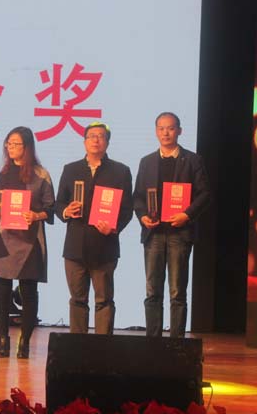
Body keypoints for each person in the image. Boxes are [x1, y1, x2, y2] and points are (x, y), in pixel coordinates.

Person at [132, 112, 210, 338]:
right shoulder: (147, 161)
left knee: (177, 292)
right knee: (152, 291)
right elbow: (138, 197)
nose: (166, 133)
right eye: (161, 128)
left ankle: (176, 344)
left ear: (179, 131)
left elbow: (204, 194)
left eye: (171, 128)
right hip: (153, 233)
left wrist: (187, 215)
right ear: (156, 131)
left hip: (180, 233)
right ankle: (153, 341)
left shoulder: (193, 160)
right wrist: (143, 216)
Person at [55, 122, 133, 334]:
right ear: (84, 142)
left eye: (101, 136)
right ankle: (78, 345)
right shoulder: (71, 169)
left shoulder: (120, 171)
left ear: (107, 142)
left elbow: (127, 209)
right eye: (91, 136)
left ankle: (103, 347)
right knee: (77, 300)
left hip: (105, 245)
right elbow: (58, 203)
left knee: (104, 300)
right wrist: (66, 211)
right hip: (75, 246)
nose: (96, 140)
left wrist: (113, 227)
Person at [0, 127, 54, 359]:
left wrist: (36, 215)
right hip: (4, 239)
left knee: (28, 292)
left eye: (16, 144)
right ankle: (3, 342)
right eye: (9, 144)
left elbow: (51, 208)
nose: (11, 148)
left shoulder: (41, 174)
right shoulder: (2, 175)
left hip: (30, 240)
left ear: (27, 147)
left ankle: (24, 343)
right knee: (1, 292)